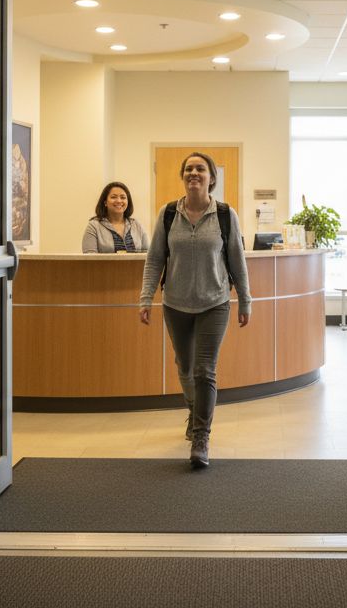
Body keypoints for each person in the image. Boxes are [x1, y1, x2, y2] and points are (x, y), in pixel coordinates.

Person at [139, 151, 250, 469]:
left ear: (211, 177)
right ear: (183, 176)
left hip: (214, 303)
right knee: (185, 368)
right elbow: (155, 258)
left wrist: (245, 299)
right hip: (175, 304)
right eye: (189, 169)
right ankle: (194, 409)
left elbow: (237, 261)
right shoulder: (168, 214)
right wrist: (145, 298)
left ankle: (201, 437)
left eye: (200, 169)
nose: (194, 173)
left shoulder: (226, 215)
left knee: (204, 370)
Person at [82, 182, 149, 253]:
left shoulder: (136, 225)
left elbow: (148, 255)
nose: (119, 201)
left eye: (123, 197)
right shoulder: (94, 226)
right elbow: (89, 260)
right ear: (105, 202)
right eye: (113, 197)